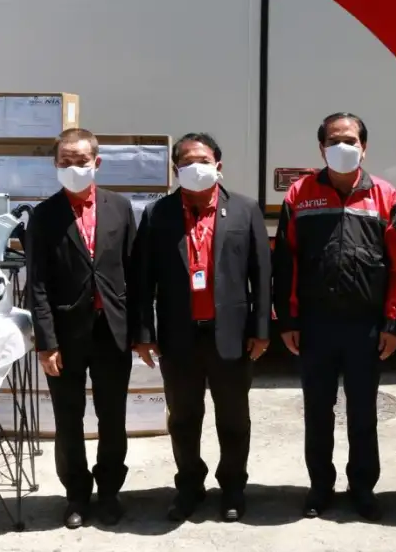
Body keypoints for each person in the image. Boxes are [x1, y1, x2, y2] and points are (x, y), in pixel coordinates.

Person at [273, 112, 396, 521]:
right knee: (318, 412)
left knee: (363, 412)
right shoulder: (300, 194)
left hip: (365, 327)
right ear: (321, 148)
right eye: (334, 140)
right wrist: (288, 321)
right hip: (315, 326)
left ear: (364, 148)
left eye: (351, 140)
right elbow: (286, 262)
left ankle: (363, 487)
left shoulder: (384, 194)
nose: (343, 147)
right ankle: (320, 486)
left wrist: (392, 324)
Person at [133, 133, 271, 523]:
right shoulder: (157, 214)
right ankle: (189, 486)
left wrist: (262, 330)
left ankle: (233, 487)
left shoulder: (244, 210)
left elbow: (262, 275)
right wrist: (143, 334)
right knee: (183, 419)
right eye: (187, 162)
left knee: (234, 419)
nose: (196, 167)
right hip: (179, 336)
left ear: (218, 166)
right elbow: (142, 279)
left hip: (231, 335)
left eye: (203, 160)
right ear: (175, 170)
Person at [26, 128, 139, 529]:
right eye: (65, 161)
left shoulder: (119, 208)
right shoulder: (44, 216)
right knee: (68, 419)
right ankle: (76, 494)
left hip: (111, 331)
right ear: (55, 164)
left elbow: (134, 272)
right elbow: (37, 283)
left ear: (97, 162)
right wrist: (46, 343)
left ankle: (109, 492)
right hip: (65, 335)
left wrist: (140, 332)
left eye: (81, 160)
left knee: (112, 417)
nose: (73, 167)